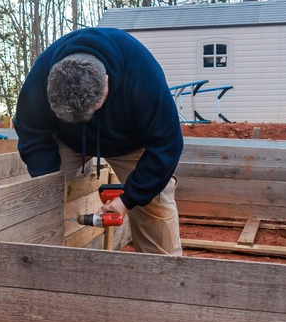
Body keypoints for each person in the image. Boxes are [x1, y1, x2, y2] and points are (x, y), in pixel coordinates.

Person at [13, 27, 184, 255]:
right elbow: (31, 133)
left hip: (131, 143)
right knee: (43, 197)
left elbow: (166, 147)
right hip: (69, 140)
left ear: (106, 82)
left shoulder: (143, 77)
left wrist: (128, 199)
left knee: (154, 203)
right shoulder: (39, 78)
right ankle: (38, 262)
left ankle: (164, 276)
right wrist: (48, 184)